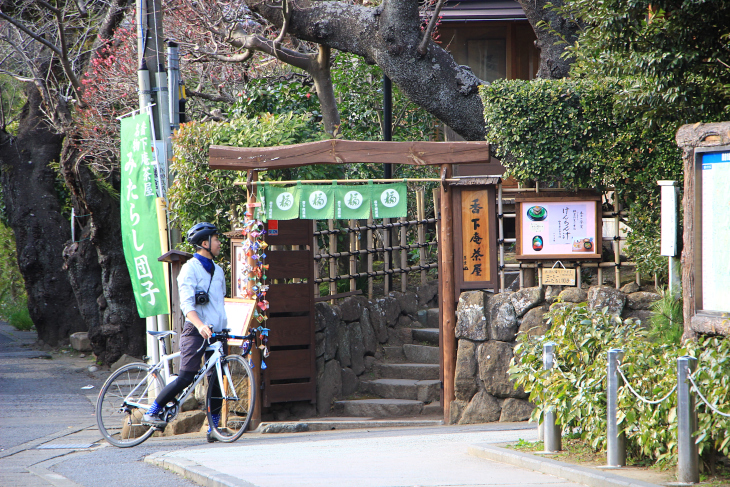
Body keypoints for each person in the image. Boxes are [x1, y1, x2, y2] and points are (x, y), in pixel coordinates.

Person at [142, 222, 227, 443]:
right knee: (186, 376)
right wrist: (200, 325)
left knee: (217, 380)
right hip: (196, 329)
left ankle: (214, 427)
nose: (219, 243)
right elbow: (187, 306)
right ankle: (153, 409)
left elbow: (220, 303)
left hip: (216, 332)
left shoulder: (218, 271)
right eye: (216, 239)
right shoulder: (190, 268)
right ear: (205, 243)